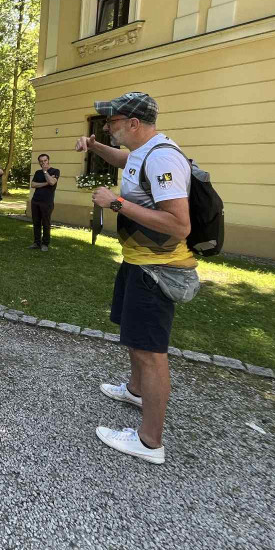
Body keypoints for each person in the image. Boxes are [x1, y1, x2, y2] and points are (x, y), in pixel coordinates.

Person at [75, 92, 195, 465]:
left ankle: (149, 442)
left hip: (157, 270)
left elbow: (179, 224)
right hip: (137, 262)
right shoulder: (144, 152)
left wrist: (115, 203)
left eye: (112, 122)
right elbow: (126, 160)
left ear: (134, 124)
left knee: (150, 351)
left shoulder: (163, 157)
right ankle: (135, 391)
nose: (107, 126)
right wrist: (95, 146)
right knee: (134, 337)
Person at [29, 154, 60, 251]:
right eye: (41, 161)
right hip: (35, 201)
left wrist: (45, 172)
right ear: (39, 162)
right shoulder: (37, 172)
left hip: (47, 202)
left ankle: (45, 244)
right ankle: (36, 243)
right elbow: (33, 184)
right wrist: (45, 183)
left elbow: (52, 182)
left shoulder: (55, 171)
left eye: (45, 160)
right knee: (36, 222)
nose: (43, 163)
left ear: (48, 160)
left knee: (46, 223)